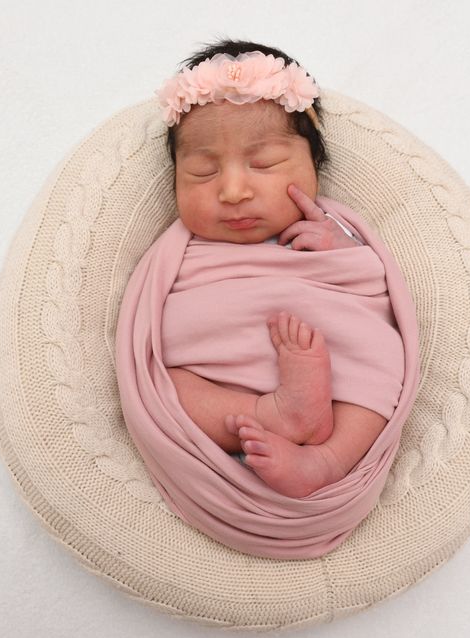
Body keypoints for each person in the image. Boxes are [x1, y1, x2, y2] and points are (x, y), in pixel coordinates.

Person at [151, 39, 407, 499]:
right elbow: (146, 325)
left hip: (331, 366)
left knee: (381, 362)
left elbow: (373, 288)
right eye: (202, 172)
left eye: (264, 163)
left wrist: (340, 250)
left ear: (315, 168)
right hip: (219, 375)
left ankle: (328, 460)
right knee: (162, 383)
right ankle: (273, 415)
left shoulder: (328, 228)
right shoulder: (175, 250)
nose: (232, 191)